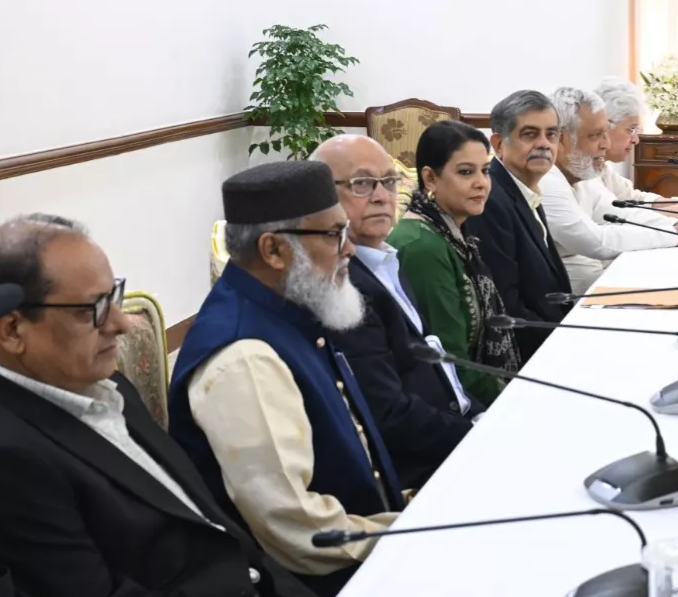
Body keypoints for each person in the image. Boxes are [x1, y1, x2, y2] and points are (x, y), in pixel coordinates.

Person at [0, 216, 311, 597]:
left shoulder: (110, 386)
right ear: (12, 331)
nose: (122, 323)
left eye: (113, 296)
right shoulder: (6, 458)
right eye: (92, 309)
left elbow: (213, 526)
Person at [168, 162, 403, 597]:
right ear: (274, 250)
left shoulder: (291, 309)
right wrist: (413, 535)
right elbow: (301, 533)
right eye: (334, 235)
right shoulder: (244, 358)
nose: (350, 250)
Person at [312, 135, 479, 490]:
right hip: (423, 470)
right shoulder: (343, 288)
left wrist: (481, 414)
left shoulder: (386, 260)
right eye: (362, 183)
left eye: (389, 182)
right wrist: (477, 434)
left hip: (452, 428)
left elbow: (434, 364)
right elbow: (387, 413)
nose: (381, 196)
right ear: (322, 197)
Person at [389, 121, 520, 408]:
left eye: (485, 170)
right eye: (465, 172)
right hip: (453, 406)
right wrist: (515, 399)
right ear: (430, 178)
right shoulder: (422, 247)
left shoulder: (451, 229)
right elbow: (451, 362)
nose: (481, 183)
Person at [540, 87, 678, 293]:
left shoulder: (579, 172)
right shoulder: (546, 178)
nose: (605, 144)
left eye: (605, 133)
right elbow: (595, 241)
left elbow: (621, 213)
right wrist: (676, 234)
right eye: (596, 135)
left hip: (599, 284)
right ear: (561, 139)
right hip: (572, 300)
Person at [463, 90, 572, 360]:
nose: (544, 144)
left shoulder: (525, 187)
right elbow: (506, 307)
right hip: (530, 357)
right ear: (499, 144)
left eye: (551, 134)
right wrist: (567, 344)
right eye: (530, 134)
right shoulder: (490, 200)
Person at [594, 76, 678, 210]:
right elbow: (611, 216)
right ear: (605, 126)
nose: (636, 140)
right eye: (631, 129)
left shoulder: (604, 167)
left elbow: (633, 197)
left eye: (637, 130)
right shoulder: (585, 173)